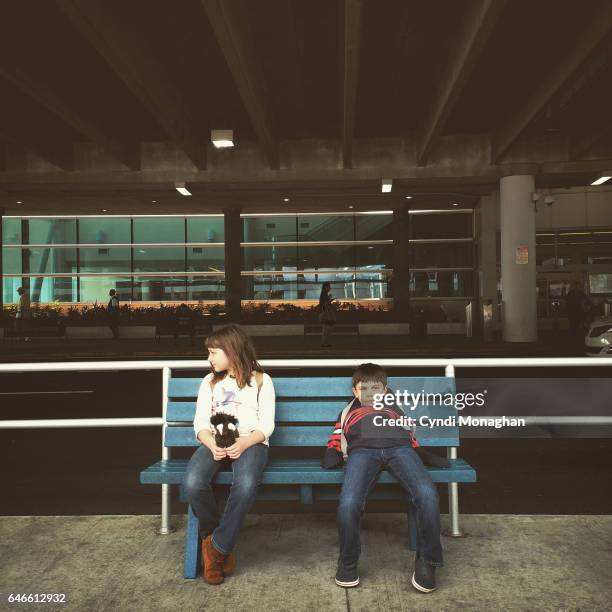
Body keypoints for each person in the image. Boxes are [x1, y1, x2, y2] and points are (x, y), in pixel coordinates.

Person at [322, 362, 445, 593]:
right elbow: (338, 433)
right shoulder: (349, 410)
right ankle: (348, 561)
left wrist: (421, 453)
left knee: (427, 494)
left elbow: (409, 435)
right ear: (355, 392)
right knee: (349, 502)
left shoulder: (394, 409)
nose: (370, 393)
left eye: (376, 388)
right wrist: (332, 451)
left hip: (400, 449)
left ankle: (428, 561)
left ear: (385, 390)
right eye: (363, 389)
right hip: (362, 452)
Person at [184, 323, 275, 584]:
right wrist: (210, 443)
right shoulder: (210, 382)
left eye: (213, 352)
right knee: (192, 482)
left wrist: (246, 443)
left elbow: (267, 425)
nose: (209, 358)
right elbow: (200, 423)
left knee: (245, 484)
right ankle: (213, 537)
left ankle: (217, 549)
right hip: (214, 442)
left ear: (232, 351)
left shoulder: (260, 380)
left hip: (252, 443)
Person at [318, 281, 337, 348]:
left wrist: (330, 299)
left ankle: (325, 343)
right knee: (326, 328)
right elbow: (325, 303)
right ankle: (324, 343)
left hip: (325, 313)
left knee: (326, 328)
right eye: (329, 286)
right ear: (326, 287)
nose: (330, 288)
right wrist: (330, 299)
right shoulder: (324, 294)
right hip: (326, 313)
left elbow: (324, 303)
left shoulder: (324, 294)